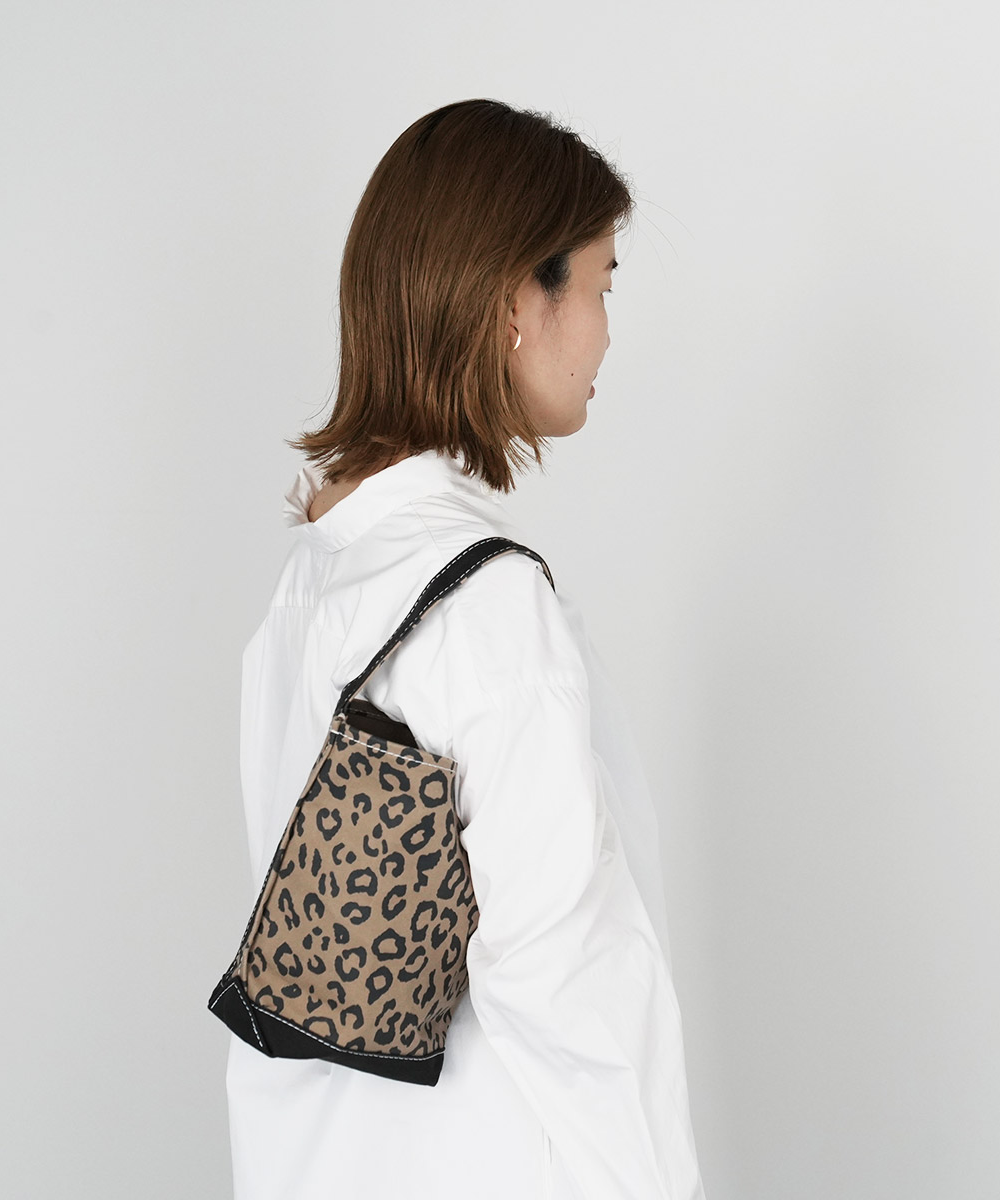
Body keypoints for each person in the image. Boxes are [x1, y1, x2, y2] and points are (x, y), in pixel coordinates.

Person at [223, 98, 707, 1200]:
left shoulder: (315, 578)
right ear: (515, 302)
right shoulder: (486, 599)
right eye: (602, 284)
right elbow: (561, 975)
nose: (607, 331)